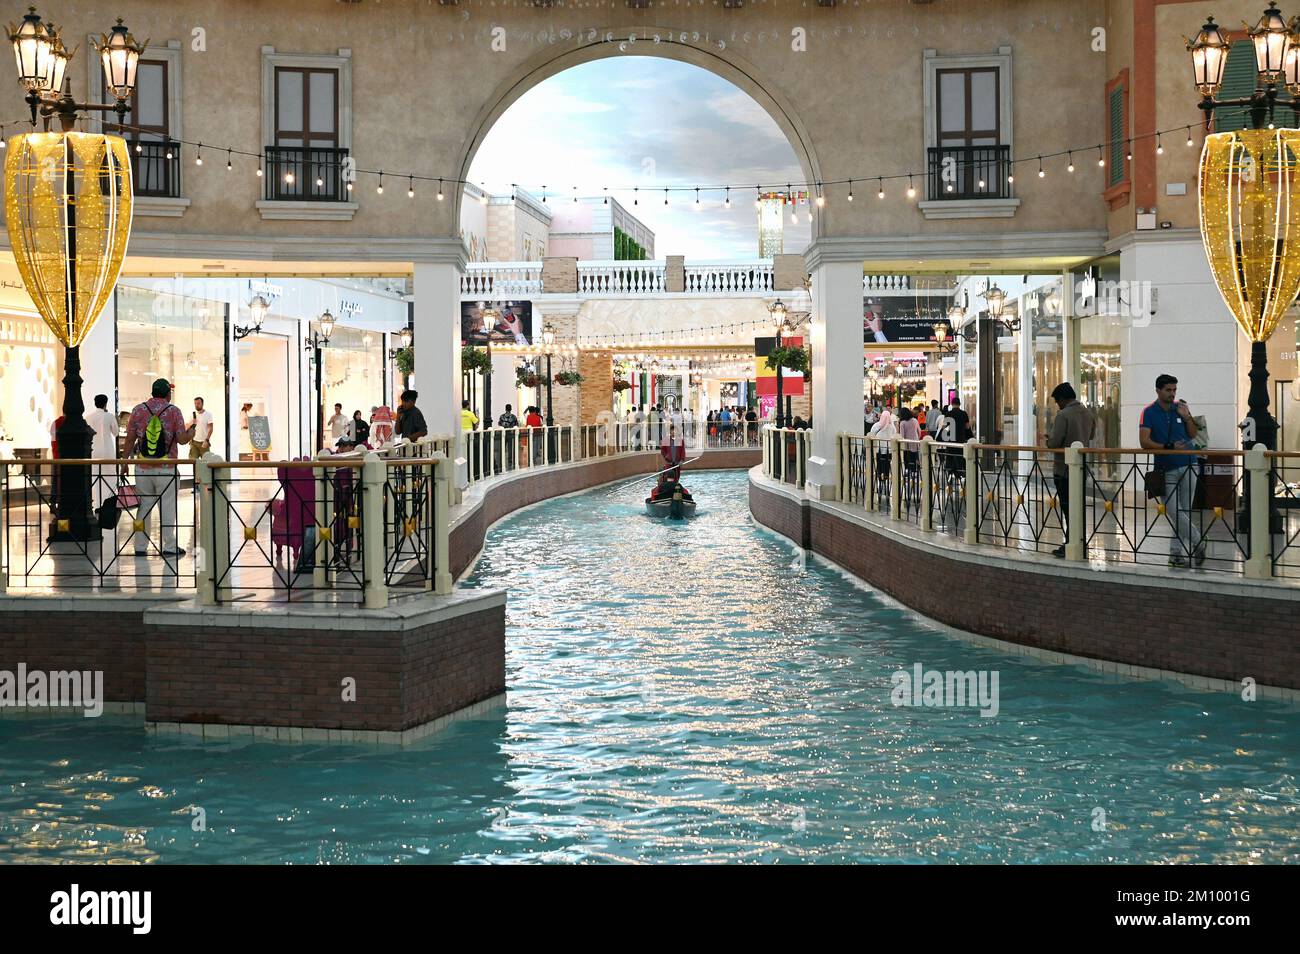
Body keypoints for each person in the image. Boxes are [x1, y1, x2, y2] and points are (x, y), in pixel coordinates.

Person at [122, 378, 194, 558]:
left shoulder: (138, 410)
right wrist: (192, 432)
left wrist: (124, 462)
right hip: (166, 467)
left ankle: (140, 546)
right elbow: (182, 440)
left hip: (143, 468)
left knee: (144, 505)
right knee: (168, 506)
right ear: (168, 394)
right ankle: (169, 546)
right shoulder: (173, 411)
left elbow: (130, 439)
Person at [1139, 373, 1204, 568]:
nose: (1172, 394)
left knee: (1184, 510)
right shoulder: (1148, 412)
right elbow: (1144, 442)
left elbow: (1193, 434)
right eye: (1168, 390)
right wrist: (1168, 447)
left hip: (1189, 464)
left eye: (1174, 390)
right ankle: (1198, 539)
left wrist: (1188, 417)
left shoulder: (1180, 408)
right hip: (1165, 468)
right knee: (1174, 510)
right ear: (1158, 390)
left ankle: (1175, 554)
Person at [1045, 382, 1097, 558]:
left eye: (1057, 401)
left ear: (1062, 399)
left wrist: (1048, 440)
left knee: (1068, 508)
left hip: (1064, 469)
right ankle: (1079, 542)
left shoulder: (1063, 415)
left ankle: (1071, 544)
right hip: (1081, 467)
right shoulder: (1088, 414)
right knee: (1078, 507)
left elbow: (1054, 442)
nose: (1057, 405)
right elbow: (1091, 436)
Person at [87, 394, 118, 509]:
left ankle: (96, 503)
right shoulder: (109, 416)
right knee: (109, 476)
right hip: (108, 450)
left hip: (93, 450)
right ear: (106, 403)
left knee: (95, 476)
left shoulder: (88, 417)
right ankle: (108, 502)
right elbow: (116, 432)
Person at [189, 396, 214, 461]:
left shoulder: (208, 414)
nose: (196, 405)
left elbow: (210, 428)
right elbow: (188, 427)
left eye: (198, 403)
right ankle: (195, 472)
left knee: (206, 463)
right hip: (193, 442)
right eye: (195, 403)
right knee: (193, 462)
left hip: (204, 443)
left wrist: (207, 440)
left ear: (202, 404)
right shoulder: (192, 414)